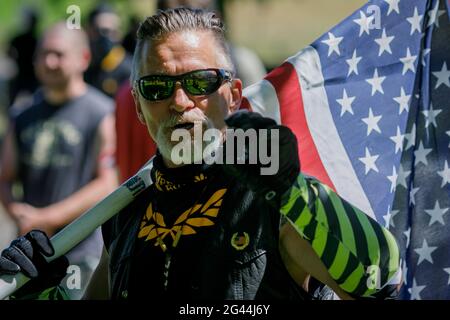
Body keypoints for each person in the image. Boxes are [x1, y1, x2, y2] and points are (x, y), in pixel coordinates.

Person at [0, 8, 400, 300]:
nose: (179, 101)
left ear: (234, 94)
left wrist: (292, 189)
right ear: (138, 106)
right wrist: (39, 293)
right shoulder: (125, 211)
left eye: (200, 82)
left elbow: (379, 278)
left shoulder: (276, 198)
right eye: (157, 86)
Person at [0, 22, 117, 299]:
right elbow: (4, 175)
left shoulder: (102, 112)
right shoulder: (22, 114)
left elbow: (108, 182)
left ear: (83, 59)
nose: (49, 62)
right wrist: (18, 212)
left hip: (82, 255)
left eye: (58, 54)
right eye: (43, 54)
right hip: (29, 256)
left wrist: (46, 218)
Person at [84, 4, 132, 98]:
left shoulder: (131, 71)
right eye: (101, 31)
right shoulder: (83, 67)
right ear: (88, 31)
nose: (106, 37)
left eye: (112, 32)